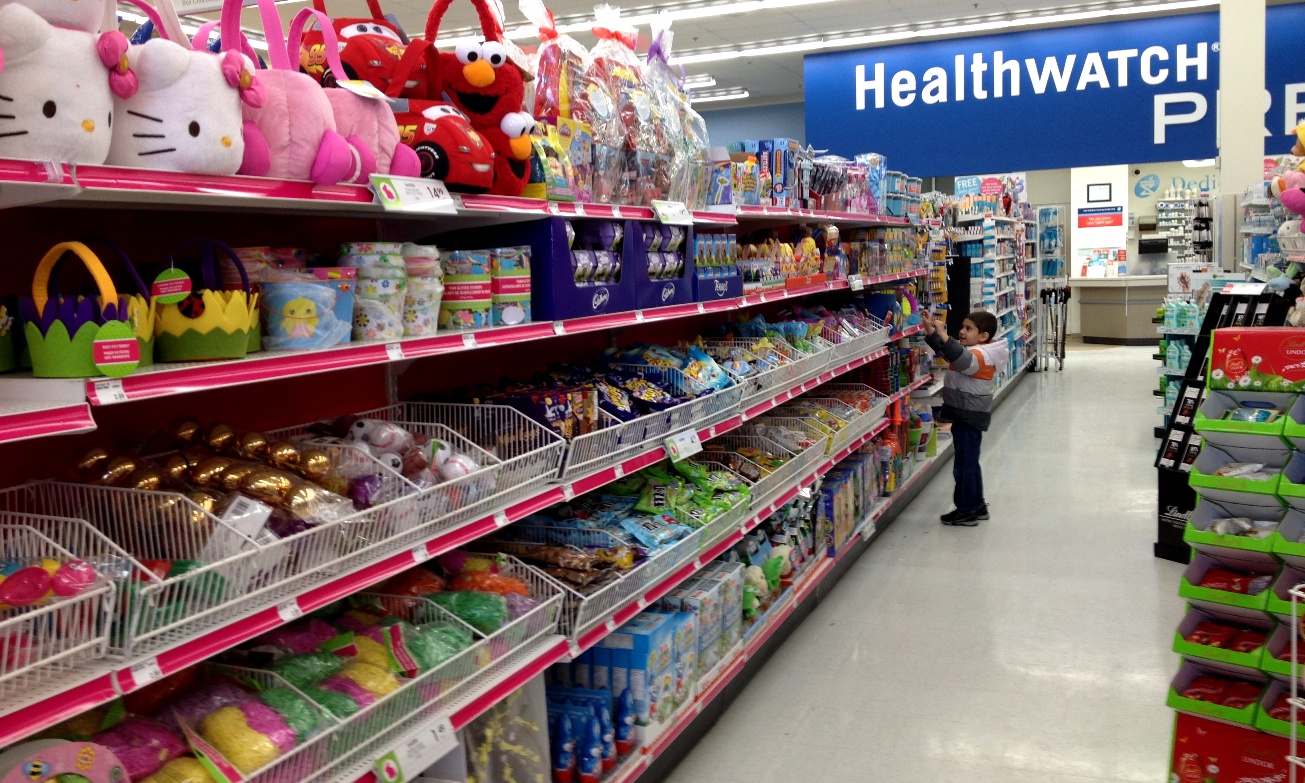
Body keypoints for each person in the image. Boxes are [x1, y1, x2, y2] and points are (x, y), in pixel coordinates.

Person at [920, 309, 1009, 527]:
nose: (962, 332)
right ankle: (977, 505)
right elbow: (949, 354)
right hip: (966, 414)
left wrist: (944, 335)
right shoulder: (977, 350)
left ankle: (966, 510)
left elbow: (960, 359)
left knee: (964, 465)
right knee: (969, 462)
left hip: (969, 416)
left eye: (968, 329)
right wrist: (931, 331)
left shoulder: (980, 356)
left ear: (983, 336)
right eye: (962, 327)